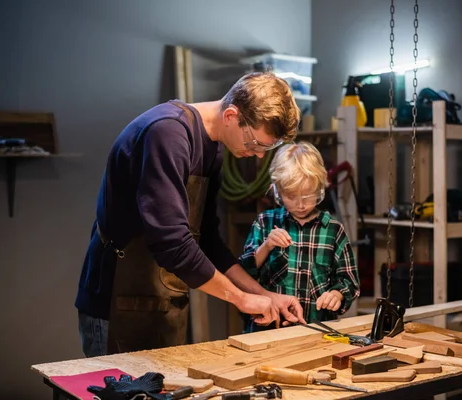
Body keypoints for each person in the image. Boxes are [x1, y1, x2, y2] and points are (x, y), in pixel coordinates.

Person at [75, 72, 307, 357]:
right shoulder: (168, 133)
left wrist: (264, 295)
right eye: (254, 144)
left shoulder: (213, 151)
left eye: (266, 149)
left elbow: (207, 241)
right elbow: (172, 243)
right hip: (113, 301)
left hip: (162, 301)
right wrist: (240, 299)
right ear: (231, 115)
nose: (258, 155)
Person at [238, 141, 360, 332]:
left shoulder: (333, 230)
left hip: (317, 330)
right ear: (278, 190)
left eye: (308, 196)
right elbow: (243, 275)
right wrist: (267, 245)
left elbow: (349, 282)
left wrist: (337, 294)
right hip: (268, 329)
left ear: (320, 188)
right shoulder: (265, 223)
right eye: (291, 196)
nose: (300, 205)